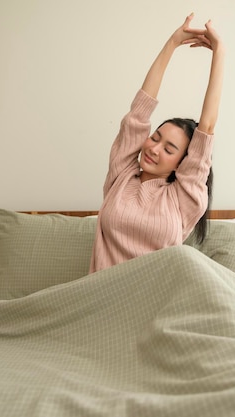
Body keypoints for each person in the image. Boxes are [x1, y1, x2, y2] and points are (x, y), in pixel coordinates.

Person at [89, 13, 224, 273]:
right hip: (103, 300)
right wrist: (172, 42)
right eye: (155, 137)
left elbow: (206, 128)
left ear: (182, 164)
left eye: (169, 149)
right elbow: (139, 112)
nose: (153, 148)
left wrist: (220, 53)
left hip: (160, 302)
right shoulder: (122, 176)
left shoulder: (182, 199)